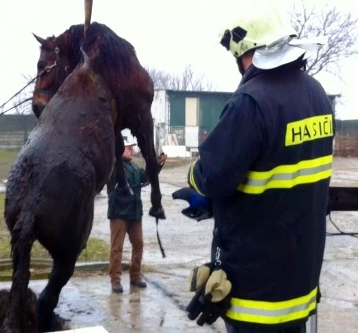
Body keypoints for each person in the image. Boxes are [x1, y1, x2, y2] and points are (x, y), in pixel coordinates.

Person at [173, 1, 334, 332]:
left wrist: (196, 183)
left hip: (256, 294)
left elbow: (212, 176)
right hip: (300, 285)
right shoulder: (317, 95)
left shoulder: (252, 101)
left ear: (247, 51)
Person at [107, 137, 167, 293]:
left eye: (132, 148)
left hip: (134, 213)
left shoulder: (134, 168)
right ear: (120, 149)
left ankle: (135, 276)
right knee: (117, 247)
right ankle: (115, 280)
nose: (132, 150)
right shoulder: (113, 167)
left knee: (139, 244)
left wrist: (157, 165)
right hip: (118, 212)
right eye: (128, 148)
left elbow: (146, 178)